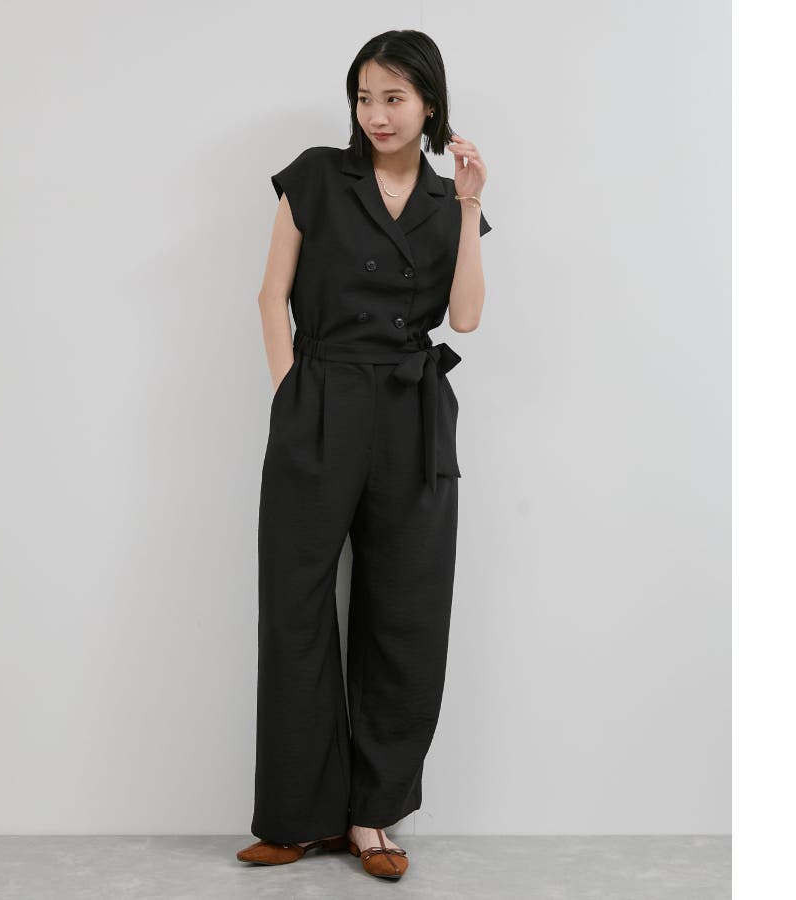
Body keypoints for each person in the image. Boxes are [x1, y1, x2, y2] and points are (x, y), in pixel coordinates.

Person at [236, 29, 491, 881]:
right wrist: (292, 398)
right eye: (364, 97)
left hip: (412, 414)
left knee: (406, 613)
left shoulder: (447, 200)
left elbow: (465, 318)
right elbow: (271, 295)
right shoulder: (318, 175)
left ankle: (372, 817)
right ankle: (296, 816)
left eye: (394, 98)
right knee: (296, 605)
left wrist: (468, 207)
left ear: (429, 104)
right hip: (320, 400)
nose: (376, 114)